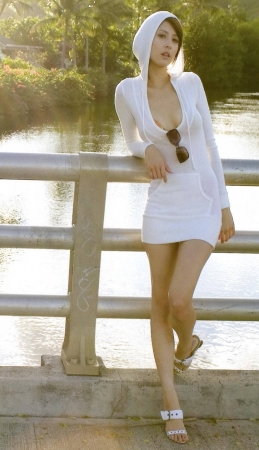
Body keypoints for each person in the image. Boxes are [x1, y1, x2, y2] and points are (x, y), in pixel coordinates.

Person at [114, 11, 235, 444]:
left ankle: (187, 345)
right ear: (146, 40)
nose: (169, 45)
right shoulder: (127, 90)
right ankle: (171, 399)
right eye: (162, 36)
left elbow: (211, 145)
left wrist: (225, 207)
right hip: (162, 205)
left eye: (174, 40)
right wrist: (146, 149)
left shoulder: (191, 83)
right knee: (158, 302)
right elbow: (129, 137)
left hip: (202, 201)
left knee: (179, 299)